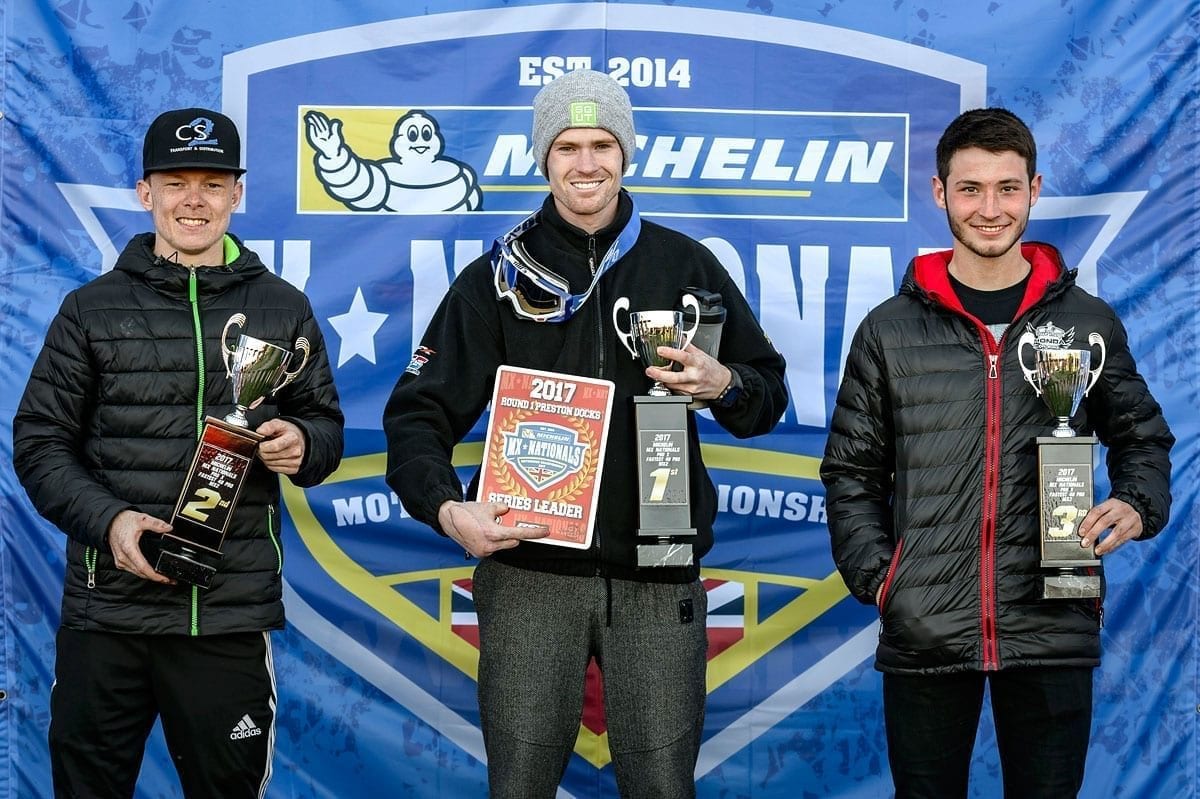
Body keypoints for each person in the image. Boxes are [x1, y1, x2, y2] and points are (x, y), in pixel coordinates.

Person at [382, 69, 787, 798]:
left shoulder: (685, 265)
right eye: (567, 146)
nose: (587, 163)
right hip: (529, 574)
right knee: (520, 786)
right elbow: (417, 416)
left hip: (660, 577)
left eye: (602, 143)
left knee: (663, 786)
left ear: (626, 152)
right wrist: (448, 506)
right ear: (544, 158)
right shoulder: (496, 277)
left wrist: (723, 384)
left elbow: (767, 397)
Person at [820, 107, 1173, 798]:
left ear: (1035, 190)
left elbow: (1145, 438)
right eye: (971, 188)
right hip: (926, 626)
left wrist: (1135, 502)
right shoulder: (888, 330)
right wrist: (884, 580)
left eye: (1007, 188)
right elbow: (851, 471)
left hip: (1052, 622)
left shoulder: (1087, 321)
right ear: (938, 192)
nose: (990, 208)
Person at [13, 107, 344, 797]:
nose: (194, 198)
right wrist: (112, 522)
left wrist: (301, 442)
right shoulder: (90, 309)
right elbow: (39, 443)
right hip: (110, 613)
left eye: (213, 182)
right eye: (176, 181)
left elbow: (325, 429)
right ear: (146, 193)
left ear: (237, 194)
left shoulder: (284, 306)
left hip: (225, 614)